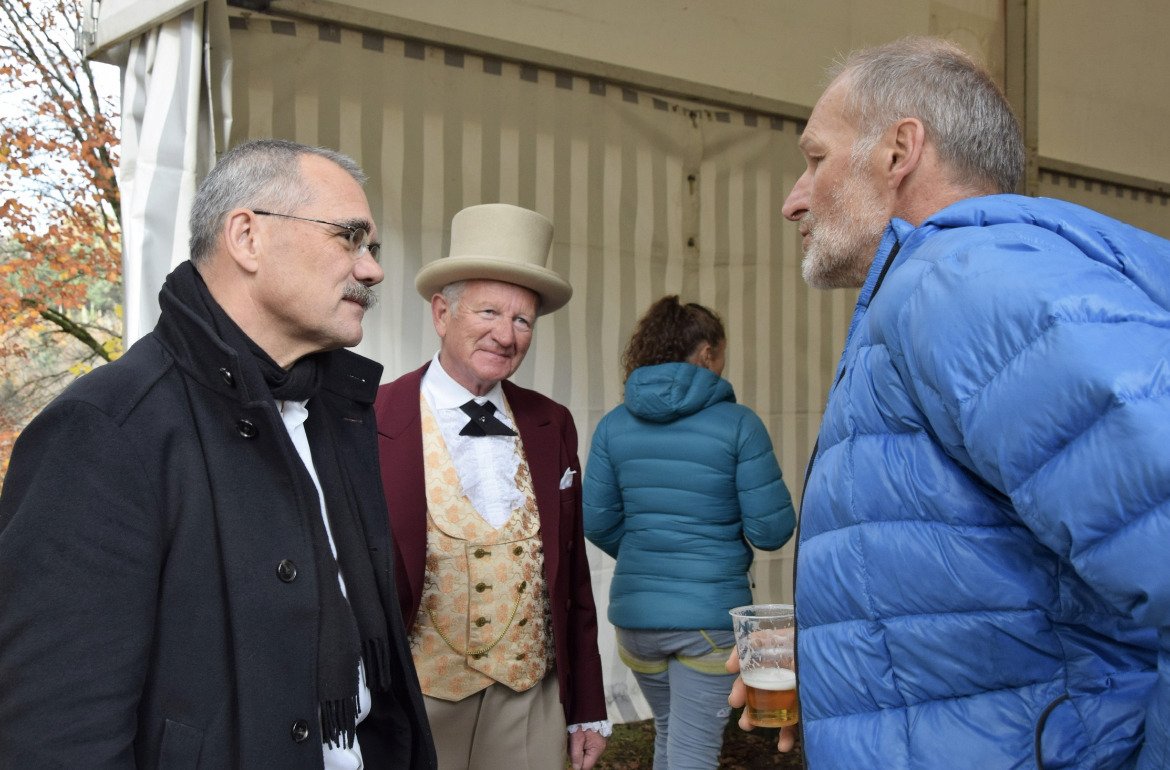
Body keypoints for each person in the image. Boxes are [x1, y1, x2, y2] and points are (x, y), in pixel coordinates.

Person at [730, 36, 1170, 768]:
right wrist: (848, 682)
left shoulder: (967, 285)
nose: (793, 200)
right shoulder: (950, 290)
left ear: (899, 151)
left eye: (814, 159)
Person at [0, 139, 436, 768]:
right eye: (349, 238)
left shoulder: (338, 411)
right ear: (247, 237)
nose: (372, 270)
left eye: (372, 248)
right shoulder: (103, 431)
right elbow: (57, 737)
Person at [374, 203, 610, 770]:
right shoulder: (374, 416)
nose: (505, 336)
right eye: (487, 311)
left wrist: (586, 707)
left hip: (531, 699)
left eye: (523, 320)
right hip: (417, 697)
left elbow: (573, 575)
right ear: (441, 313)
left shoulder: (552, 422)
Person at [583, 295, 796, 769]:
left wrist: (650, 551)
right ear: (705, 353)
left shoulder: (613, 426)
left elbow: (597, 522)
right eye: (722, 352)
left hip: (635, 618)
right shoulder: (740, 424)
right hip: (709, 621)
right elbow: (771, 530)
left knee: (670, 736)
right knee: (693, 754)